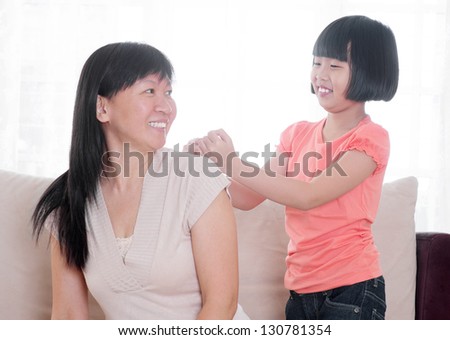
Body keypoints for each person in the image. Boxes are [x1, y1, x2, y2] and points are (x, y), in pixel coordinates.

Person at [191, 15, 399, 320]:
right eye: (317, 63)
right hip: (301, 290)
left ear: (369, 72)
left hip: (353, 288)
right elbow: (248, 198)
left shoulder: (370, 139)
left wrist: (232, 162)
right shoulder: (297, 134)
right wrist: (208, 165)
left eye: (335, 66)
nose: (321, 74)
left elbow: (309, 195)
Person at [32, 42, 249, 320]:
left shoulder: (196, 177)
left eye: (168, 92)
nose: (167, 107)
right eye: (149, 91)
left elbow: (222, 304)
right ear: (102, 108)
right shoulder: (67, 202)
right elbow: (68, 316)